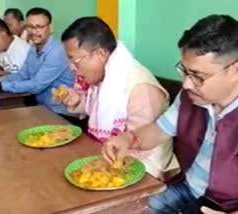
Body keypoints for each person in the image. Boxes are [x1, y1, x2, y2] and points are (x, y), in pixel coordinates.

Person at [102, 14, 238, 214]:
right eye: (184, 71)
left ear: (234, 70)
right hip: (187, 188)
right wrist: (128, 139)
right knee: (125, 207)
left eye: (198, 76)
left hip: (227, 207)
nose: (186, 84)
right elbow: (158, 130)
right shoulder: (192, 97)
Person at [59, 17, 178, 179]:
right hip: (109, 155)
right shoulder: (107, 76)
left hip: (147, 171)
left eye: (75, 60)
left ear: (100, 54)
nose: (71, 68)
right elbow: (96, 109)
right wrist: (77, 100)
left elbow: (141, 147)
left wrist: (96, 166)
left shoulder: (140, 87)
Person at [0, 7, 75, 117]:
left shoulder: (57, 51)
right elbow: (23, 74)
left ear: (50, 28)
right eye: (30, 27)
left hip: (60, 112)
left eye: (39, 27)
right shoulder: (33, 48)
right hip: (41, 107)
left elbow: (36, 85)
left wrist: (0, 85)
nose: (34, 31)